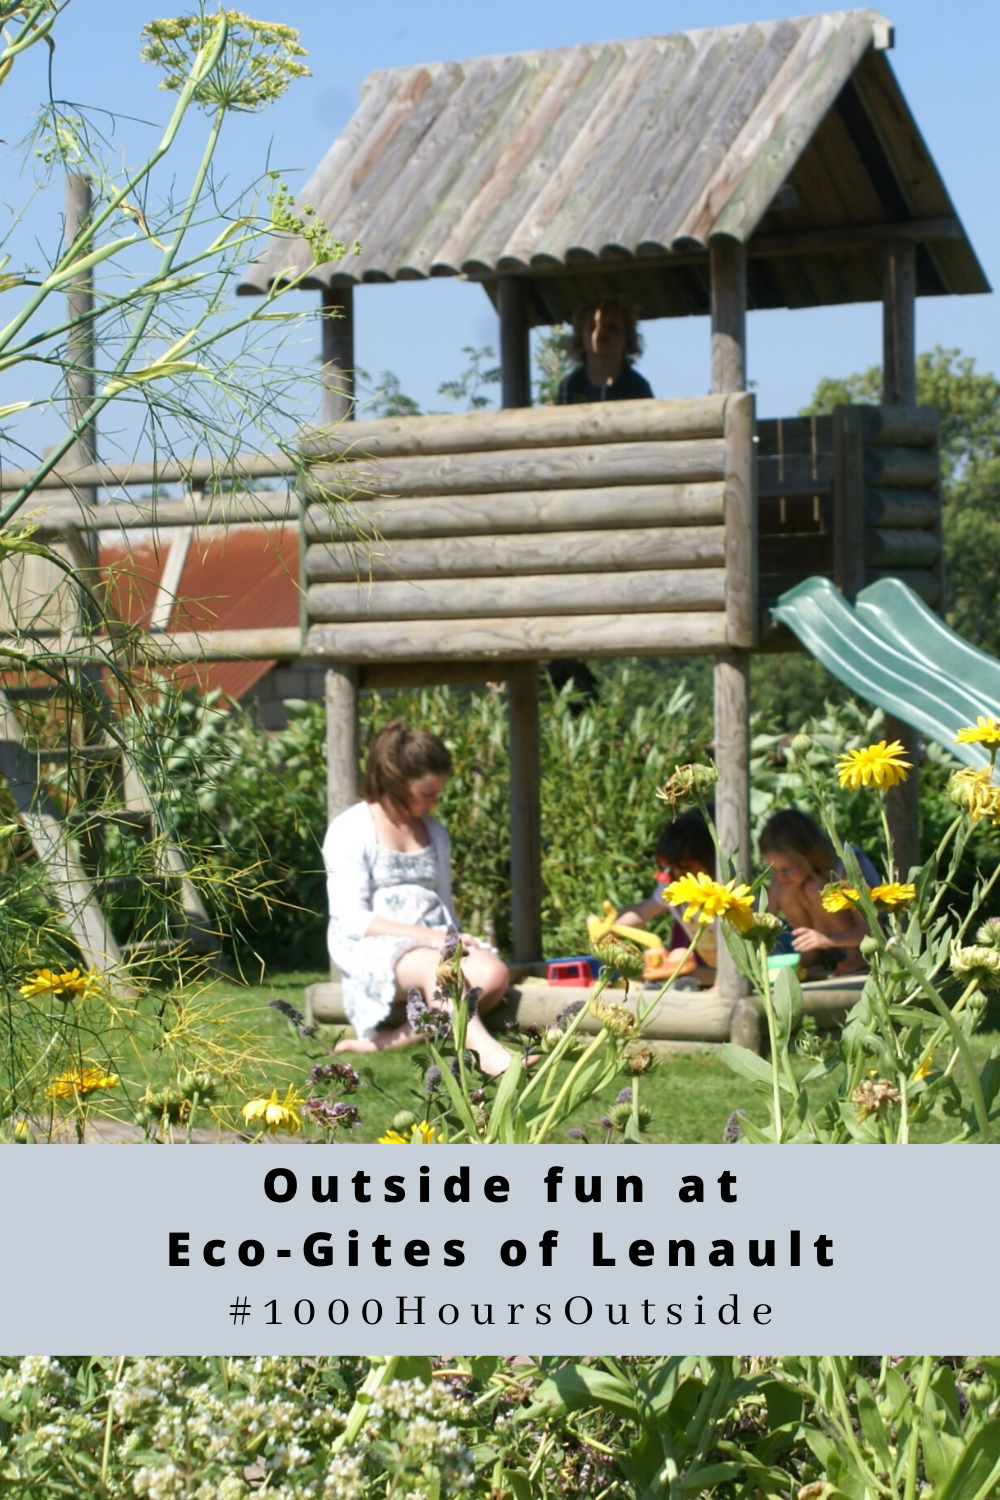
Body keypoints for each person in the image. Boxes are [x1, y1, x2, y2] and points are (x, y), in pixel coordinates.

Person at [322, 720, 513, 1074]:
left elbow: (444, 901)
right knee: (434, 968)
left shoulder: (433, 831)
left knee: (493, 973)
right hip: (372, 947)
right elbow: (352, 919)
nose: (435, 801)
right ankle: (491, 1058)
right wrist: (434, 939)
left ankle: (397, 1037)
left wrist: (455, 937)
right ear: (395, 783)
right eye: (427, 793)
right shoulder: (352, 828)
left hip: (433, 940)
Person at [759, 809, 880, 976]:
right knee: (785, 888)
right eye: (774, 870)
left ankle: (855, 957)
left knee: (814, 887)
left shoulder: (846, 867)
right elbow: (764, 919)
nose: (780, 876)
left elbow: (873, 930)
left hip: (865, 943)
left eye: (787, 869)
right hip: (825, 946)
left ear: (809, 854)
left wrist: (827, 940)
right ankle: (810, 954)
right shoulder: (783, 879)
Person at [613, 809, 719, 978]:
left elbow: (738, 946)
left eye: (687, 867)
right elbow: (641, 913)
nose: (674, 875)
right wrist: (609, 927)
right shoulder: (674, 885)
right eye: (665, 865)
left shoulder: (723, 896)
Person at [556, 299, 653, 404]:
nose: (602, 331)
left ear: (628, 341)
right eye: (592, 327)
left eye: (612, 327)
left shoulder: (637, 386)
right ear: (580, 342)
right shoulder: (570, 385)